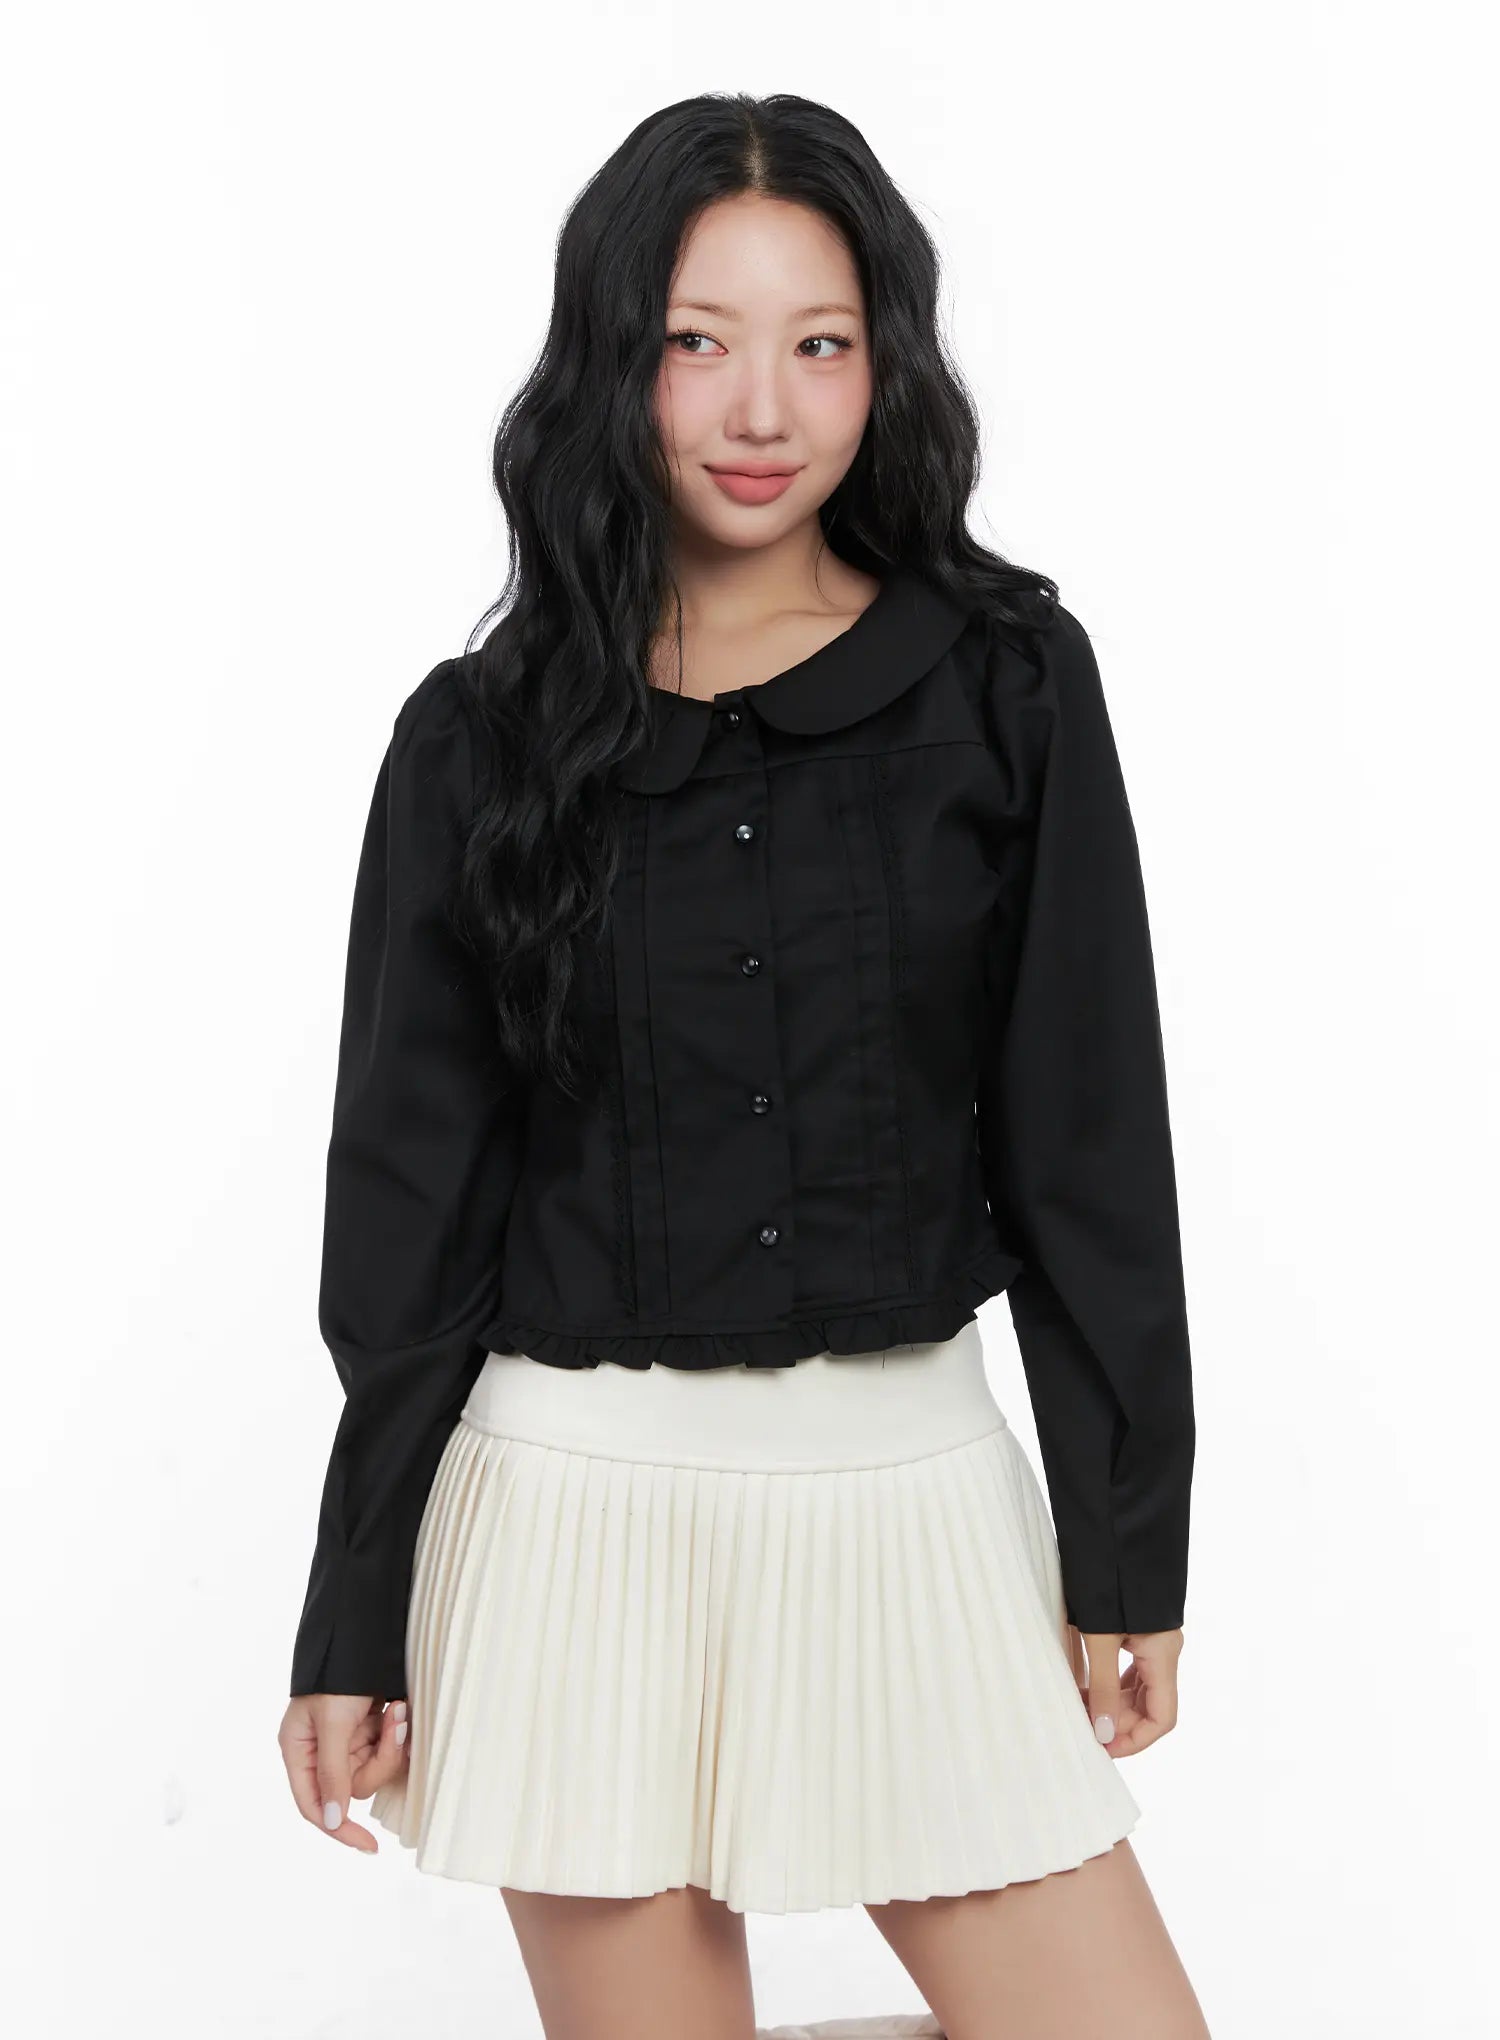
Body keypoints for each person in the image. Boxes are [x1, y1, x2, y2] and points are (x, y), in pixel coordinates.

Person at [277, 90, 1211, 2040]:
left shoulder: (1007, 688)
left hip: (913, 1506)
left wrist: (1126, 1542)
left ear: (890, 363)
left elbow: (1089, 1145)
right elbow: (409, 1213)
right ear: (611, 359)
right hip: (570, 1530)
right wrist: (353, 1609)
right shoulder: (476, 743)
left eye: (822, 343)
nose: (761, 408)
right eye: (696, 341)